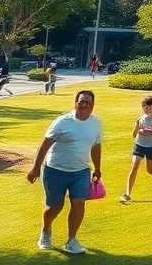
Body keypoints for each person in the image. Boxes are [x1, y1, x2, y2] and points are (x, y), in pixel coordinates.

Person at [27, 89, 102, 254]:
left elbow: (96, 147)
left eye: (88, 102)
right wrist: (36, 168)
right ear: (76, 103)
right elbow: (45, 145)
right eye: (81, 102)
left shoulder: (96, 123)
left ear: (93, 105)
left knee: (79, 203)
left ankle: (71, 240)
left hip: (81, 171)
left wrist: (97, 168)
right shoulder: (62, 122)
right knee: (55, 206)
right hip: (55, 170)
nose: (84, 105)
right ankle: (46, 231)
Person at [122, 96, 152, 203]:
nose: (147, 109)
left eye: (150, 107)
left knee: (150, 170)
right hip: (139, 145)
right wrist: (136, 126)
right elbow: (134, 135)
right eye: (145, 107)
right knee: (135, 165)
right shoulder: (141, 118)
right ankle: (127, 194)